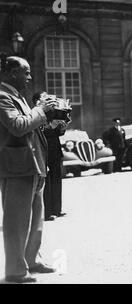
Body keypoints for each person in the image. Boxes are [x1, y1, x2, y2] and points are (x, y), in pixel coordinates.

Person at [0, 56, 57, 283]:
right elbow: (17, 127)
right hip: (16, 168)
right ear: (12, 72)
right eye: (26, 72)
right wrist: (40, 110)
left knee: (35, 218)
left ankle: (31, 260)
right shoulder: (3, 97)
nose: (30, 77)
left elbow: (32, 128)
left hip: (32, 166)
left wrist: (52, 121)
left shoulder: (18, 97)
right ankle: (15, 270)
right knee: (16, 222)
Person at [33, 91, 67, 221]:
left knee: (56, 179)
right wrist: (52, 127)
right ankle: (47, 213)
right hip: (44, 151)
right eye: (44, 97)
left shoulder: (51, 113)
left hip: (55, 151)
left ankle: (57, 209)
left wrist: (62, 127)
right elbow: (40, 131)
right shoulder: (36, 113)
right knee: (46, 183)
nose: (48, 99)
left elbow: (57, 133)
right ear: (37, 101)